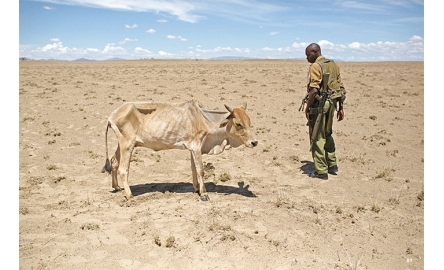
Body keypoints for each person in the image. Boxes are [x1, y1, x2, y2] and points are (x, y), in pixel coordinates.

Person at [303, 43, 345, 180]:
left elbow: (314, 90)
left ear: (316, 52)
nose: (307, 58)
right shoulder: (333, 64)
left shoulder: (316, 66)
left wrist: (307, 108)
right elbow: (340, 87)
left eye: (308, 55)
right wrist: (341, 108)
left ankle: (321, 170)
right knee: (328, 133)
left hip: (320, 106)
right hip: (332, 104)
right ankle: (332, 164)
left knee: (317, 137)